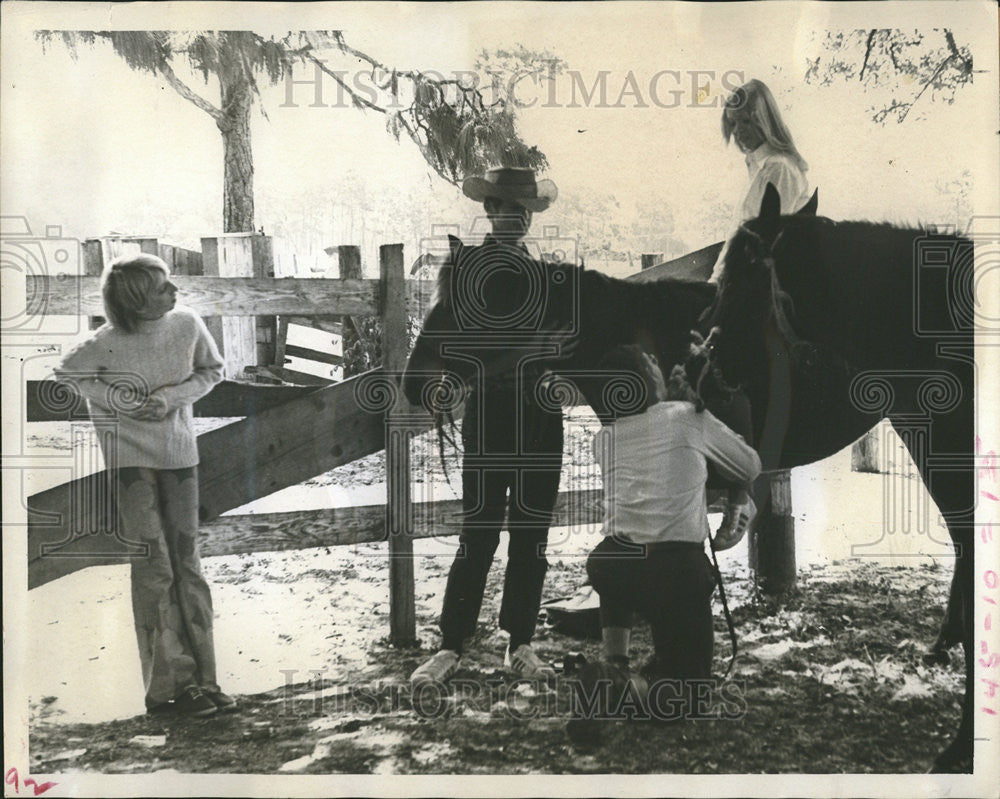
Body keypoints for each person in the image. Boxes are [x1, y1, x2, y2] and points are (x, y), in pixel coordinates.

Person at [53, 253, 234, 717]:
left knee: (188, 565)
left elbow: (212, 370)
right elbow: (67, 372)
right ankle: (166, 691)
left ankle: (207, 680)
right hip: (131, 464)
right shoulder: (106, 342)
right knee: (155, 569)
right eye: (161, 288)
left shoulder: (187, 324)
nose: (174, 293)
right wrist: (122, 400)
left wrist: (171, 398)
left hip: (179, 458)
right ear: (135, 302)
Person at [409, 167, 564, 687]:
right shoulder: (466, 270)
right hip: (491, 417)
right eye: (505, 205)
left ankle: (520, 643)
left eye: (524, 208)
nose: (516, 215)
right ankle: (451, 645)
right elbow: (429, 351)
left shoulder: (546, 273)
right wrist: (439, 384)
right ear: (490, 211)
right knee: (478, 535)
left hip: (542, 419)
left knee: (532, 537)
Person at [568, 345, 760, 741]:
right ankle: (621, 689)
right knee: (687, 696)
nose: (661, 363)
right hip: (674, 572)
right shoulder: (688, 419)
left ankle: (615, 662)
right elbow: (749, 465)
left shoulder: (605, 439)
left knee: (622, 543)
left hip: (613, 569)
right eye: (652, 362)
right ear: (651, 379)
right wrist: (693, 412)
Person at [708, 78, 811, 284]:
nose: (737, 131)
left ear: (764, 121)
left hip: (764, 286)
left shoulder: (779, 168)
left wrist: (717, 284)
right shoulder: (759, 166)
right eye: (733, 123)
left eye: (745, 121)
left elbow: (762, 242)